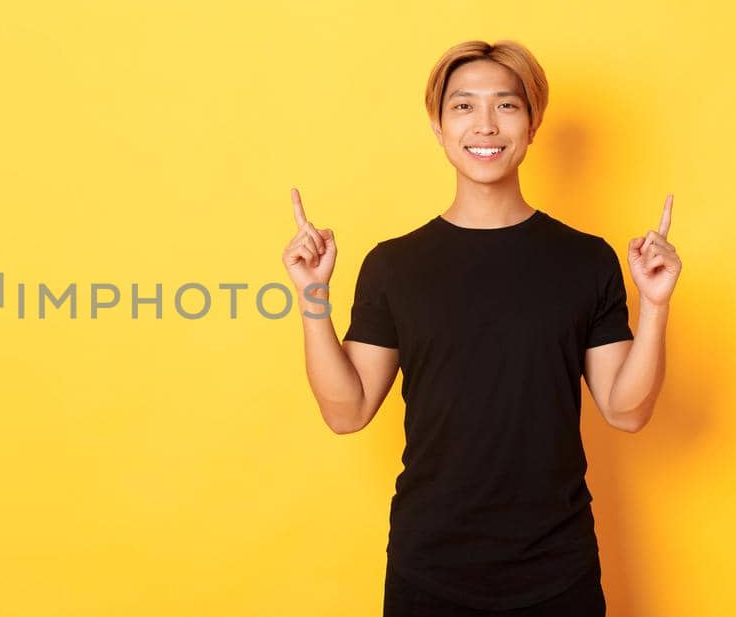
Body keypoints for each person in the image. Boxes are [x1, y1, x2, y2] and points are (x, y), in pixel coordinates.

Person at [281, 39, 682, 616]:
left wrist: (657, 305)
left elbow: (628, 409)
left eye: (507, 105)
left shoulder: (586, 260)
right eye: (463, 106)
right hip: (430, 569)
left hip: (557, 568)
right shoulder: (395, 265)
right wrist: (313, 296)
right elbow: (347, 412)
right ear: (438, 127)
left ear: (532, 123)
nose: (485, 125)